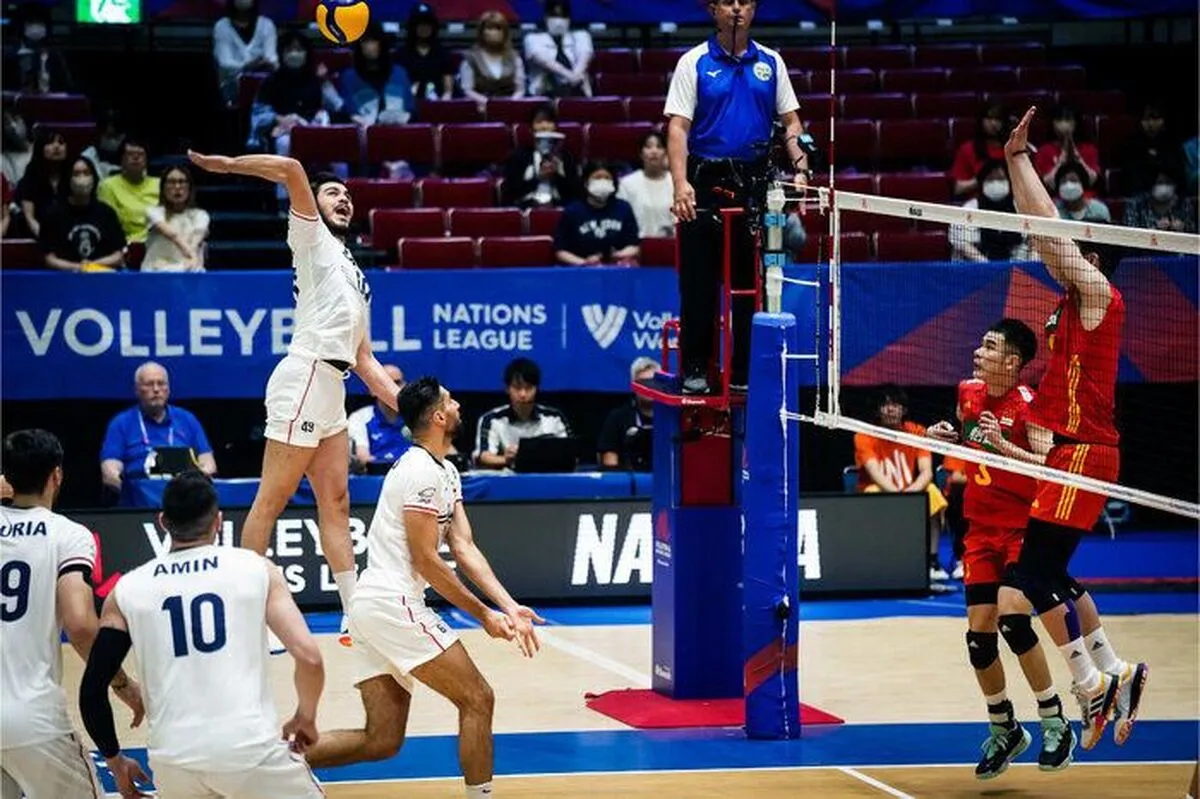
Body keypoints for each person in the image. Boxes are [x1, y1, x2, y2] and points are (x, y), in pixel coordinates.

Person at [186, 149, 402, 642]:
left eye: (347, 195)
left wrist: (413, 410)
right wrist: (227, 166)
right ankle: (248, 616)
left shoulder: (356, 273)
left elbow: (365, 360)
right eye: (333, 193)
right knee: (271, 500)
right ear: (313, 205)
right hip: (304, 376)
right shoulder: (310, 235)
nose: (344, 199)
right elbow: (291, 170)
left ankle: (355, 615)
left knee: (337, 502)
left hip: (333, 388)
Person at [304, 377, 543, 799]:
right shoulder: (420, 472)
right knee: (478, 698)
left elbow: (463, 547)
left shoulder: (445, 470)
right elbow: (426, 561)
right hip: (392, 602)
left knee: (382, 740)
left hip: (372, 607)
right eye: (450, 401)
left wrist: (508, 605)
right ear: (437, 417)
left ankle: (272, 762)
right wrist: (483, 615)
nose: (458, 404)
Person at [1002, 106, 1148, 750]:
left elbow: (1047, 232)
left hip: (1086, 452)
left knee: (1033, 578)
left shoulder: (1099, 297)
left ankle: (1092, 686)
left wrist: (1020, 162)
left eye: (1072, 250)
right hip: (1070, 452)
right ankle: (1117, 670)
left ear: (1091, 258)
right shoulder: (1069, 300)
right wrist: (1014, 160)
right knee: (1053, 574)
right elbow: (1038, 230)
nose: (1056, 255)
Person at [80, 471, 325, 798]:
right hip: (250, 751)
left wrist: (115, 761)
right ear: (218, 521)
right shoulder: (256, 569)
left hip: (173, 761)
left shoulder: (127, 589)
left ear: (163, 522)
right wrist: (305, 717)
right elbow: (309, 657)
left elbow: (92, 689)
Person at [927, 321, 1074, 778]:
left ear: (1012, 362)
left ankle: (1054, 721)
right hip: (980, 528)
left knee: (1013, 618)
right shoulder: (968, 393)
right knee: (978, 638)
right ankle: (1005, 727)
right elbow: (970, 443)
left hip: (1022, 529)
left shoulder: (1030, 405)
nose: (978, 351)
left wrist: (1004, 445)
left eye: (989, 347)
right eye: (981, 343)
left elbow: (1051, 466)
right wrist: (945, 439)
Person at [665, 0, 809, 394]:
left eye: (744, 2)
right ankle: (695, 367)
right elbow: (678, 127)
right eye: (728, 2)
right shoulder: (693, 62)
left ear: (754, 9)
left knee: (751, 285)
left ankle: (744, 371)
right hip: (704, 181)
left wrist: (800, 167)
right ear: (713, 10)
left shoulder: (772, 63)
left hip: (753, 184)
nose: (736, 9)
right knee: (699, 282)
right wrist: (680, 183)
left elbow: (791, 122)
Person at [1, 429, 144, 798]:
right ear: (57, 475)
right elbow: (80, 625)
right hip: (30, 717)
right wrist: (121, 683)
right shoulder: (67, 535)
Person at [853, 384, 949, 582]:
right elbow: (875, 473)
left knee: (932, 492)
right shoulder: (864, 435)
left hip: (910, 490)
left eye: (895, 404)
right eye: (885, 405)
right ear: (877, 410)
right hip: (881, 491)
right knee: (872, 491)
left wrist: (910, 495)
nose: (890, 409)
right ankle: (876, 559)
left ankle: (932, 560)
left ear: (903, 409)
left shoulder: (916, 432)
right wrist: (899, 498)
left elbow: (926, 472)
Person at [474, 357, 571, 470]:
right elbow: (483, 456)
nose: (523, 394)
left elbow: (570, 454)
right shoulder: (491, 419)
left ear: (536, 388)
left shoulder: (555, 418)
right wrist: (506, 459)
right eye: (517, 387)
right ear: (507, 389)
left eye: (528, 388)